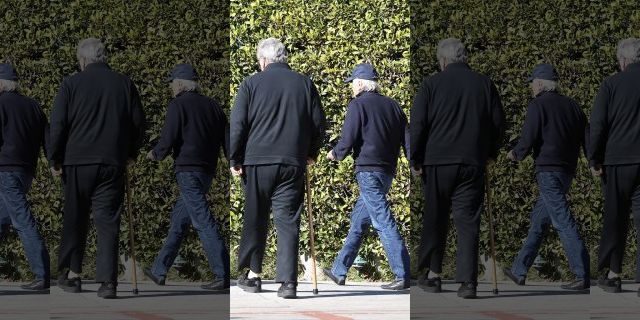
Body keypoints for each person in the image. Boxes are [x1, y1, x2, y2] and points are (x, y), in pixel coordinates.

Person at [49, 38, 145, 299]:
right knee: (108, 222)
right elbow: (138, 124)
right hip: (111, 161)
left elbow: (58, 124)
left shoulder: (70, 84)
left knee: (75, 218)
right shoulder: (124, 83)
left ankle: (73, 274)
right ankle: (108, 283)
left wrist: (54, 159)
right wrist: (130, 154)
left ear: (82, 60)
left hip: (77, 161)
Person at [230, 38, 326, 299]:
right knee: (288, 221)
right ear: (283, 58)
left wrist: (234, 159)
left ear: (263, 61)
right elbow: (319, 125)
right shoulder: (304, 83)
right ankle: (288, 283)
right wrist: (310, 153)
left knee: (255, 217)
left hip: (257, 161)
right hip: (292, 161)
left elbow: (238, 124)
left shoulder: (250, 83)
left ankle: (253, 274)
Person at [410, 38, 505, 299]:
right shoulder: (484, 84)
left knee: (435, 218)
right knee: (468, 222)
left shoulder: (430, 84)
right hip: (471, 161)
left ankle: (433, 274)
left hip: (437, 161)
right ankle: (468, 283)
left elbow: (418, 124)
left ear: (442, 61)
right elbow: (498, 124)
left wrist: (415, 159)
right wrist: (490, 153)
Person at [322, 63, 410, 290]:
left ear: (360, 83)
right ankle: (339, 271)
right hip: (387, 172)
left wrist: (336, 153)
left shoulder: (357, 105)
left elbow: (348, 138)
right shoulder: (394, 106)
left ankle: (402, 274)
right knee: (359, 221)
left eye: (352, 83)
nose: (351, 87)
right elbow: (407, 140)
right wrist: (415, 162)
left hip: (368, 171)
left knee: (382, 220)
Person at [502, 63, 590, 291]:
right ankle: (519, 270)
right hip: (566, 172)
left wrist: (516, 153)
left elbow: (529, 136)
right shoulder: (573, 106)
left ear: (540, 83)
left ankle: (582, 274)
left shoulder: (538, 105)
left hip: (547, 171)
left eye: (532, 83)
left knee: (562, 221)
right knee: (540, 221)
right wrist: (593, 162)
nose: (531, 87)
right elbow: (587, 138)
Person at [143, 63, 230, 291]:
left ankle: (222, 274)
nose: (171, 87)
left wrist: (156, 154)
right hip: (206, 172)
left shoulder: (178, 105)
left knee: (202, 221)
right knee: (180, 221)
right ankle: (159, 271)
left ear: (180, 84)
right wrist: (233, 161)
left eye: (172, 83)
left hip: (187, 171)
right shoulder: (214, 107)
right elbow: (227, 140)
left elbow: (168, 137)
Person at [589, 38, 640, 296]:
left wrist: (593, 158)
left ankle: (613, 274)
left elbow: (598, 124)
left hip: (618, 160)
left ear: (622, 60)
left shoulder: (611, 84)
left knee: (615, 218)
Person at [0, 63, 50, 290]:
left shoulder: (0, 103)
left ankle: (42, 275)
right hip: (26, 172)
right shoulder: (33, 106)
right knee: (2, 218)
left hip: (5, 170)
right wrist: (52, 162)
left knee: (21, 220)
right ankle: (42, 274)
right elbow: (47, 138)